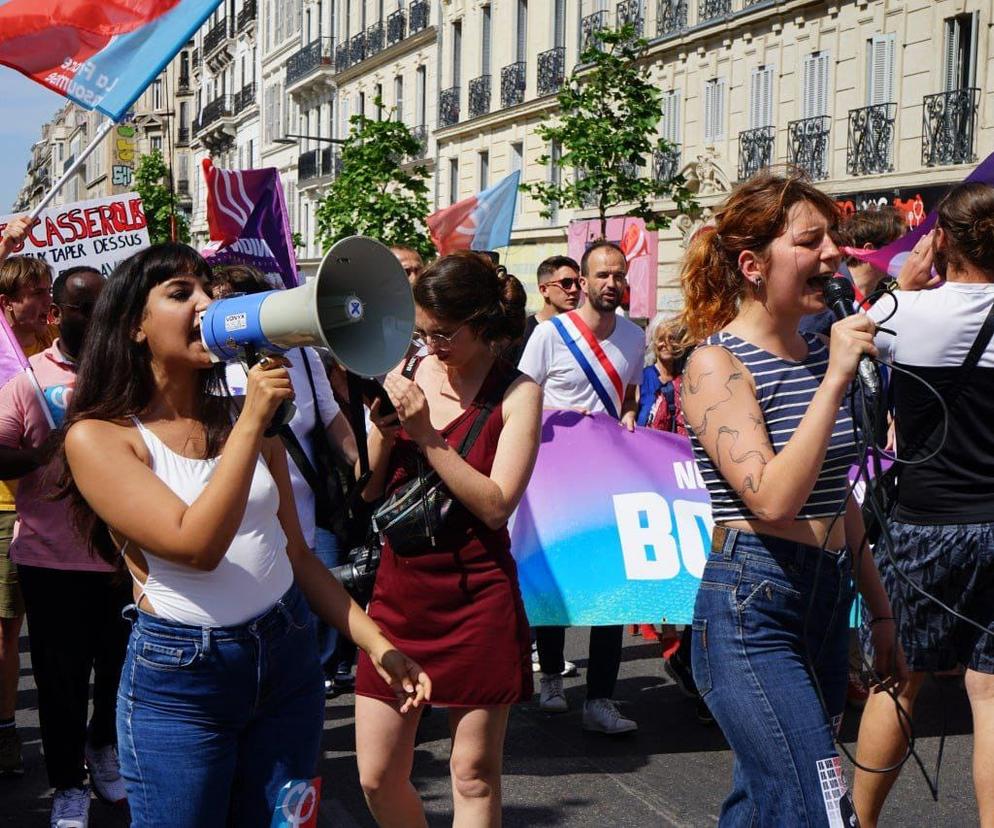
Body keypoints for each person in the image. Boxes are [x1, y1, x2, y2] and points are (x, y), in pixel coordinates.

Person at [58, 243, 429, 827]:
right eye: (180, 294)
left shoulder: (241, 417)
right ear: (133, 326)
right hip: (184, 683)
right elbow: (196, 545)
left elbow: (297, 554)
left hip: (287, 658)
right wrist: (253, 422)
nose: (205, 304)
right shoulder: (99, 438)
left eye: (208, 289)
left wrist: (376, 644)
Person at [678, 170, 906, 825]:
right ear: (752, 264)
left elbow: (838, 493)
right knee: (819, 806)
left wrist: (880, 608)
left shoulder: (814, 348)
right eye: (811, 241)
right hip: (755, 608)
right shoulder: (715, 365)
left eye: (833, 238)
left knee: (763, 801)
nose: (833, 253)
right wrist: (836, 376)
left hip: (827, 601)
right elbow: (773, 498)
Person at [355, 251, 541, 827]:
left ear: (482, 323)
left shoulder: (518, 393)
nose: (429, 347)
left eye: (441, 335)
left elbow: (495, 505)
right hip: (400, 593)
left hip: (477, 595)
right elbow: (366, 493)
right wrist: (386, 440)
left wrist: (426, 434)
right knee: (377, 775)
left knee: (474, 774)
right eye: (421, 333)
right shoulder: (407, 374)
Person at [853, 183, 994, 828]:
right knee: (990, 691)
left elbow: (842, 343)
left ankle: (860, 820)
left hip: (925, 523)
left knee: (901, 678)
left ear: (940, 241)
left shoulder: (902, 315)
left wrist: (899, 290)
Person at [0, 265, 130, 826]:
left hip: (124, 556)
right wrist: (44, 452)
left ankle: (103, 748)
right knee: (59, 681)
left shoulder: (130, 373)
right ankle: (66, 785)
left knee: (119, 669)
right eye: (85, 306)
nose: (98, 316)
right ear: (58, 313)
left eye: (105, 305)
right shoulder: (26, 378)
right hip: (49, 560)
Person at [207, 264, 360, 693]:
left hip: (306, 514)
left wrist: (376, 455)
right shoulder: (208, 365)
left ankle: (307, 693)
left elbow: (335, 428)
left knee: (310, 615)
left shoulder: (307, 359)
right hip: (241, 523)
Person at [518, 240, 644, 734]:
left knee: (612, 584)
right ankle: (551, 676)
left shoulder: (635, 338)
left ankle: (601, 700)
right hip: (554, 475)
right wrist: (564, 420)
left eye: (619, 274)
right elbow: (521, 399)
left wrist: (629, 412)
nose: (611, 283)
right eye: (601, 275)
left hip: (608, 475)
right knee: (558, 581)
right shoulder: (550, 335)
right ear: (585, 281)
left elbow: (629, 393)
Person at [0, 254, 57, 778]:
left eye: (48, 288)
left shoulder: (58, 345)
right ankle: (5, 731)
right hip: (5, 502)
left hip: (52, 506)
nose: (46, 301)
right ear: (6, 303)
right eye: (34, 292)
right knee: (3, 628)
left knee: (33, 626)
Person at [800, 207, 906, 337]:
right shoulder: (829, 293)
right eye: (900, 247)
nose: (905, 254)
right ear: (870, 249)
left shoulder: (882, 290)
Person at [504, 255, 581, 365]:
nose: (574, 289)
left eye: (578, 283)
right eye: (566, 283)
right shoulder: (521, 333)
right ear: (544, 290)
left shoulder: (584, 330)